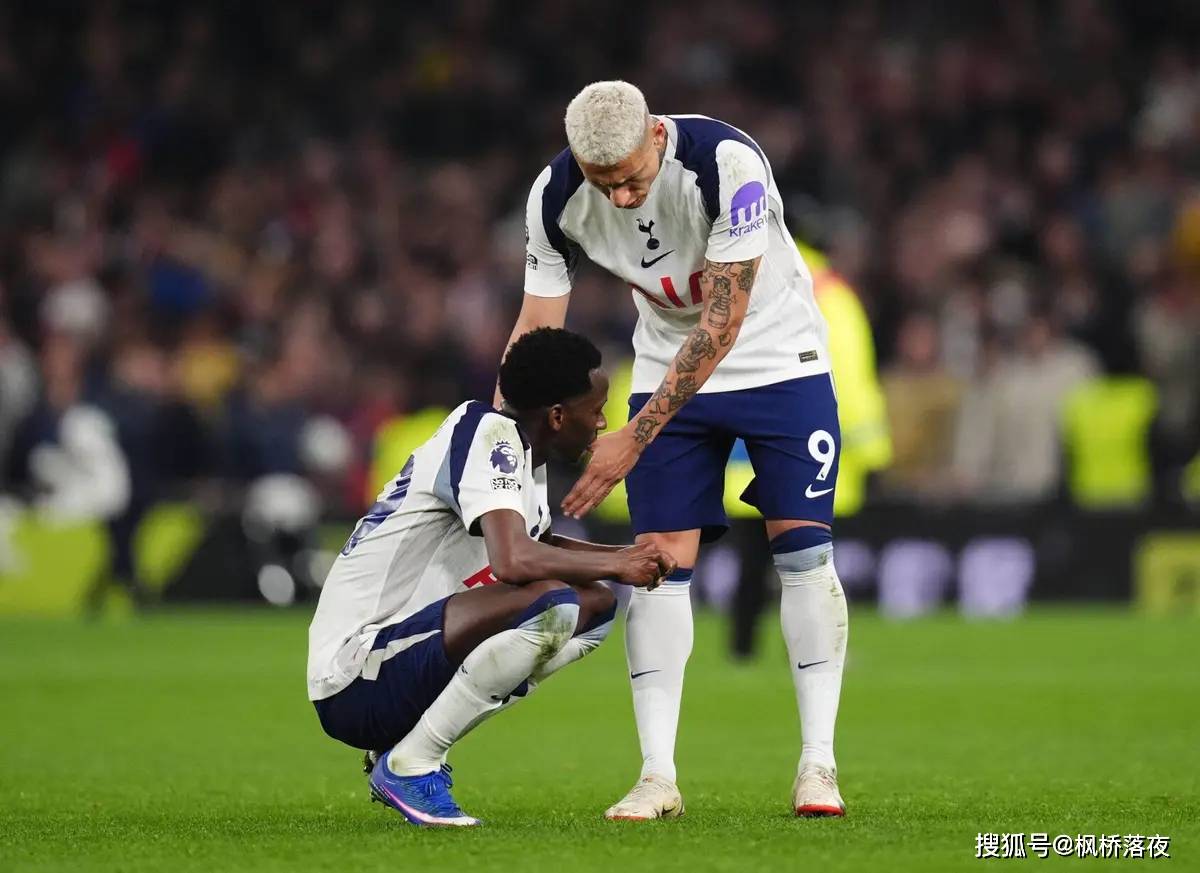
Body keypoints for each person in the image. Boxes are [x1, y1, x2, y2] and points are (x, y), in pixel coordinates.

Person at [500, 81, 848, 819]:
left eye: (631, 178)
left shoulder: (729, 164)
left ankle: (818, 765)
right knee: (656, 563)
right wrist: (503, 440)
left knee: (802, 554)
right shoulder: (554, 197)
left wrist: (635, 434)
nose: (621, 198)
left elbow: (723, 322)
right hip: (664, 359)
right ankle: (657, 775)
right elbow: (536, 329)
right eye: (603, 183)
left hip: (780, 359)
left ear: (656, 134)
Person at [308, 327, 676, 827]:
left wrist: (626, 556)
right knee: (552, 604)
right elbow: (514, 561)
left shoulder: (522, 454)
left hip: (401, 661)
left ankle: (406, 749)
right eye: (595, 409)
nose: (602, 422)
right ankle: (412, 765)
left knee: (594, 606)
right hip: (355, 675)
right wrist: (618, 564)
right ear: (557, 416)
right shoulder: (488, 434)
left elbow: (540, 547)